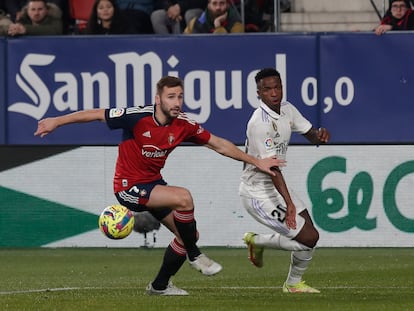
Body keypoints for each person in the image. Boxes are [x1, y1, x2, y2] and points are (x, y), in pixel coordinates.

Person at [34, 75, 285, 296]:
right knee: (184, 198)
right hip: (127, 187)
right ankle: (195, 255)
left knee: (187, 234)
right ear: (158, 99)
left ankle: (160, 285)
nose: (177, 102)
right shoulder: (136, 117)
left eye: (180, 97)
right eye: (171, 97)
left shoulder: (183, 124)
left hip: (153, 185)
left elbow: (218, 143)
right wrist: (57, 121)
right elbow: (96, 114)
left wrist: (256, 161)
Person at [240, 68, 330, 293]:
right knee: (309, 238)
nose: (274, 93)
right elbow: (272, 170)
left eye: (277, 87)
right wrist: (289, 204)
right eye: (267, 89)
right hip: (258, 193)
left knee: (309, 234)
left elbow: (309, 133)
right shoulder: (259, 123)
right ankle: (257, 241)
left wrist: (319, 136)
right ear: (259, 93)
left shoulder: (288, 109)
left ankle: (293, 284)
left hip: (277, 187)